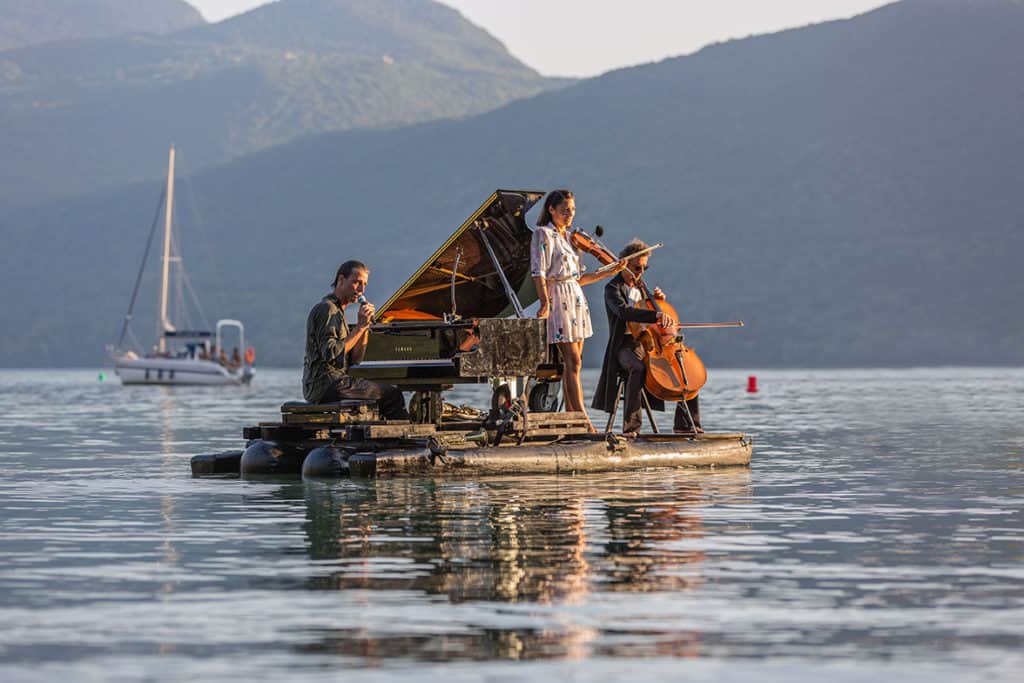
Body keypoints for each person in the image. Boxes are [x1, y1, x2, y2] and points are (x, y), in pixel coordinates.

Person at [530, 189, 623, 432]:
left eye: (572, 210)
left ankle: (573, 417)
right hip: (558, 297)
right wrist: (544, 303)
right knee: (572, 360)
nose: (570, 214)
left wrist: (609, 271)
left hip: (575, 298)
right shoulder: (543, 234)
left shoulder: (570, 238)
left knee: (575, 363)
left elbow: (578, 278)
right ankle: (582, 419)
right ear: (551, 209)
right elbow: (538, 272)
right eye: (565, 210)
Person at [591, 239, 703, 436]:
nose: (640, 273)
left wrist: (659, 302)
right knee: (637, 368)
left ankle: (685, 424)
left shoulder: (643, 289)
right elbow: (624, 311)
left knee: (684, 367)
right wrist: (655, 314)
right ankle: (631, 427)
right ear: (624, 264)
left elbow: (653, 319)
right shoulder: (612, 288)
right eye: (637, 268)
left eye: (644, 268)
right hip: (624, 345)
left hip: (649, 344)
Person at [302, 260, 409, 419]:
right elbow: (330, 353)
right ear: (341, 280)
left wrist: (364, 328)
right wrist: (359, 327)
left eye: (364, 284)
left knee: (385, 393)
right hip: (326, 384)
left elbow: (356, 359)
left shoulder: (339, 312)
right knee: (393, 395)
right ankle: (402, 438)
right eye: (356, 282)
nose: (361, 289)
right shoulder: (327, 309)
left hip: (332, 383)